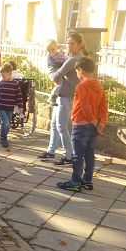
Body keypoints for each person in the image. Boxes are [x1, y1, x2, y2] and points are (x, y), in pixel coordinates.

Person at [56, 57, 108, 191]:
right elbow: (103, 106)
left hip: (81, 124)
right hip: (93, 126)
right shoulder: (98, 86)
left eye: (77, 71)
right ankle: (87, 180)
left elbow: (85, 106)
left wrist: (93, 120)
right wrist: (101, 122)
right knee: (89, 154)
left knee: (77, 154)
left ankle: (75, 181)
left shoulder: (81, 86)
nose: (77, 74)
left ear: (80, 70)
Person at [38, 32, 88, 165]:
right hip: (63, 94)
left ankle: (69, 156)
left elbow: (55, 77)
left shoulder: (73, 59)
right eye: (68, 43)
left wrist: (51, 72)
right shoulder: (72, 57)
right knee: (54, 124)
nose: (69, 46)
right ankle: (51, 151)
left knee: (62, 126)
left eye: (72, 44)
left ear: (79, 45)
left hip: (67, 96)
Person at [0, 63, 23, 148]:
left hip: (10, 107)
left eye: (4, 76)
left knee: (8, 124)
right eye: (2, 76)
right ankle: (3, 139)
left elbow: (19, 96)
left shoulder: (15, 84)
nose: (3, 77)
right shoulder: (0, 83)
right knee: (5, 122)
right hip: (1, 106)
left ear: (10, 74)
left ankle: (4, 137)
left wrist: (20, 107)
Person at [46, 39, 67, 106]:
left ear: (56, 47)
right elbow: (63, 59)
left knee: (60, 84)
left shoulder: (57, 53)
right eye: (49, 50)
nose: (51, 52)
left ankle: (55, 96)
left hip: (56, 72)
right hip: (53, 73)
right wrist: (70, 59)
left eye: (53, 49)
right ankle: (53, 97)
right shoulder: (51, 56)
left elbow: (62, 56)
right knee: (60, 83)